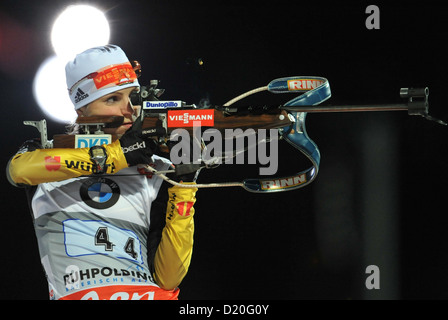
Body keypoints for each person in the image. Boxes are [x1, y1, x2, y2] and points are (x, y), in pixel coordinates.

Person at [6, 44, 198, 300]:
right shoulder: (44, 153)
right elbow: (18, 170)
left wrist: (184, 189)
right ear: (81, 109)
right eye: (112, 99)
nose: (128, 109)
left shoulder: (154, 167)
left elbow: (168, 278)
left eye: (132, 96)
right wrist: (118, 156)